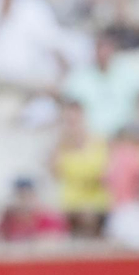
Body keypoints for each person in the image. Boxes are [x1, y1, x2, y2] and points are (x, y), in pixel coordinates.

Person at [63, 32, 139, 138]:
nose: (103, 53)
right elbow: (71, 108)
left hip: (126, 135)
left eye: (107, 48)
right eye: (100, 48)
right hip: (91, 138)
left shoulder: (129, 72)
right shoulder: (79, 77)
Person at [50, 98, 109, 237]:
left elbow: (102, 175)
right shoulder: (59, 146)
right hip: (70, 202)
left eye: (75, 119)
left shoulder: (99, 141)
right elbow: (56, 175)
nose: (72, 124)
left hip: (96, 201)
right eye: (69, 120)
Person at [0, 176, 67, 243]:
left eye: (27, 195)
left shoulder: (49, 220)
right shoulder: (6, 222)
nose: (24, 201)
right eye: (20, 196)